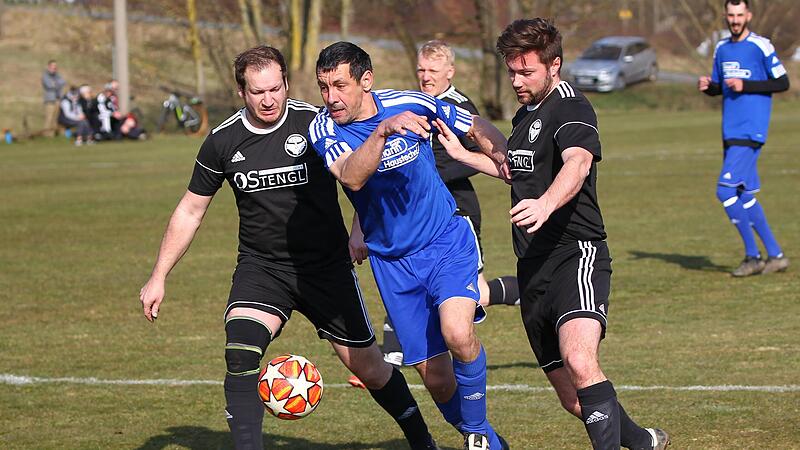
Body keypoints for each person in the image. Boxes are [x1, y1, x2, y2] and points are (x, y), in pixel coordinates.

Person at [139, 45, 438, 450]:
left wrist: (357, 230)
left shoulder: (315, 124)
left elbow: (367, 172)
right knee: (241, 353)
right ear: (241, 92)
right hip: (263, 269)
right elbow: (191, 209)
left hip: (326, 268)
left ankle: (423, 442)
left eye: (276, 88)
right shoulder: (223, 141)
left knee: (371, 369)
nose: (269, 99)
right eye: (258, 91)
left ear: (285, 84)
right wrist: (159, 275)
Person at [436, 19, 670, 449]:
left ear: (554, 65)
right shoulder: (525, 116)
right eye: (512, 71)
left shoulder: (572, 107)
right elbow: (513, 169)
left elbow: (577, 163)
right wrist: (463, 154)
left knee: (582, 361)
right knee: (574, 399)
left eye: (526, 72)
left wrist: (546, 203)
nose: (517, 81)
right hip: (533, 268)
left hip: (575, 254)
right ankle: (642, 441)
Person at [310, 41, 509, 450]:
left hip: (444, 240)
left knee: (457, 332)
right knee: (434, 376)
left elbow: (473, 126)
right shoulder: (324, 127)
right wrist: (384, 130)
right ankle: (489, 441)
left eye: (340, 85)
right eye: (324, 87)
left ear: (367, 81)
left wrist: (507, 159)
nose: (331, 97)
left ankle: (475, 437)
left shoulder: (411, 102)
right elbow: (351, 176)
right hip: (393, 264)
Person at [376, 39, 521, 367]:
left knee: (475, 293)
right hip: (421, 215)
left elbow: (482, 155)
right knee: (411, 276)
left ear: (450, 72)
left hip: (458, 210)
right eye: (421, 70)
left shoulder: (459, 108)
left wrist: (424, 171)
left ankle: (525, 289)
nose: (425, 76)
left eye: (433, 70)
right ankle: (393, 356)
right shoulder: (413, 103)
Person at [698, 0, 790, 277]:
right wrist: (709, 88)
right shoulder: (722, 48)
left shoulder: (761, 46)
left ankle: (753, 256)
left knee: (725, 191)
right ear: (725, 16)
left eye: (740, 15)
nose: (735, 20)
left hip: (751, 129)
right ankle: (776, 255)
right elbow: (720, 87)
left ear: (748, 15)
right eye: (731, 15)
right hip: (730, 130)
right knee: (744, 194)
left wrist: (746, 85)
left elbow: (782, 82)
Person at [42, 59, 66, 137]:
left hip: (57, 99)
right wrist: (56, 83)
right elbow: (49, 85)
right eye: (53, 66)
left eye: (55, 66)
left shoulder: (57, 75)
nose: (54, 67)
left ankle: (54, 133)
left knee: (56, 117)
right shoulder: (45, 75)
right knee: (49, 117)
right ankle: (46, 134)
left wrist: (55, 83)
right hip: (50, 100)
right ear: (49, 66)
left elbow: (63, 82)